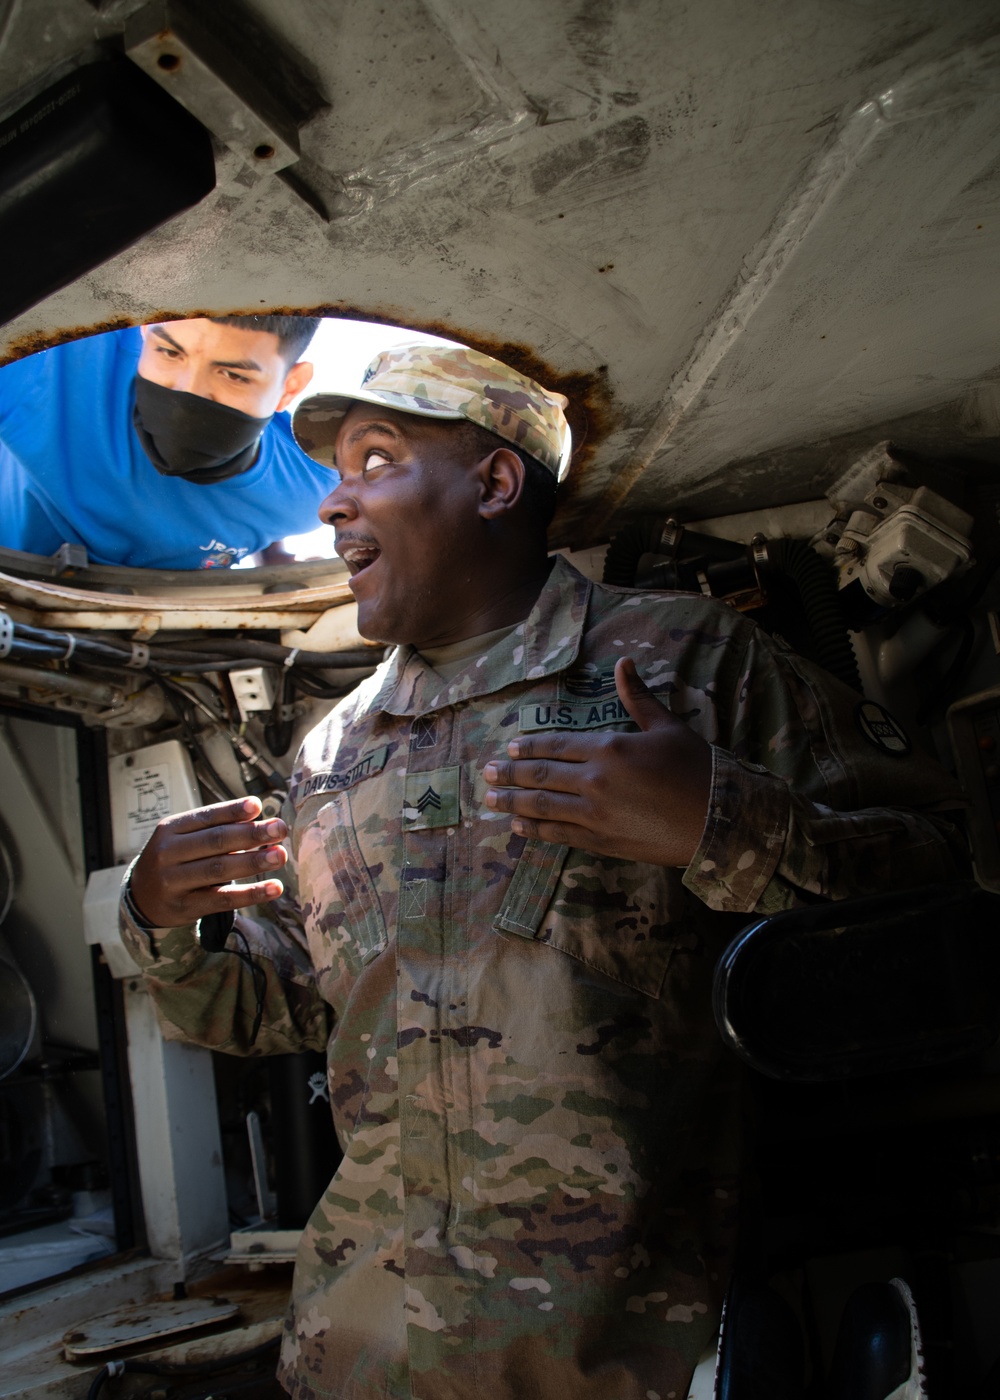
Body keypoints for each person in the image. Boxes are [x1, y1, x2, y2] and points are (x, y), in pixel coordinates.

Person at [120, 343, 966, 1400]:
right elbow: (282, 1005)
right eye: (337, 471)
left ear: (494, 481)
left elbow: (943, 896)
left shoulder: (684, 661)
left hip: (637, 1357)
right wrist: (163, 919)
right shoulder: (329, 752)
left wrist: (716, 820)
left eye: (375, 458)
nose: (335, 501)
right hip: (359, 1356)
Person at [0, 315, 335, 569]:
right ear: (144, 330)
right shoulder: (47, 355)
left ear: (290, 387)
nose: (186, 393)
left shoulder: (316, 494)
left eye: (234, 376)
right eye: (170, 352)